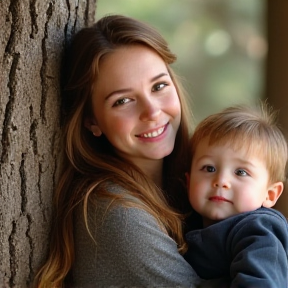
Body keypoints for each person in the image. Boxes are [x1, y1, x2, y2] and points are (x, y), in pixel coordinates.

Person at [35, 14, 201, 287]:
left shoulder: (200, 179)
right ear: (92, 121)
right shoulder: (118, 216)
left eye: (159, 86)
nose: (151, 112)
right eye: (122, 101)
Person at [184, 104, 288, 287]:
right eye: (209, 168)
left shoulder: (258, 231)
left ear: (270, 194)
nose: (221, 180)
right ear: (188, 181)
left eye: (241, 172)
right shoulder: (182, 221)